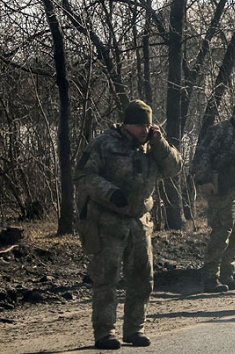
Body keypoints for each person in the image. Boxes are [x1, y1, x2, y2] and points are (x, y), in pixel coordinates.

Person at [74, 99, 183, 349]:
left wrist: (160, 143)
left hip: (139, 222)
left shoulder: (153, 147)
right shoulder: (104, 143)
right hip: (107, 221)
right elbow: (84, 175)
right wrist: (109, 192)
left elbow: (175, 168)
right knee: (107, 278)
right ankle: (105, 333)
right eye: (139, 126)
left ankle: (135, 329)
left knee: (143, 279)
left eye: (147, 125)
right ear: (127, 125)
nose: (144, 131)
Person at [191, 99, 235, 292]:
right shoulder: (219, 131)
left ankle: (228, 276)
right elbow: (203, 154)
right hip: (222, 190)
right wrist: (204, 180)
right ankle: (210, 277)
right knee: (222, 234)